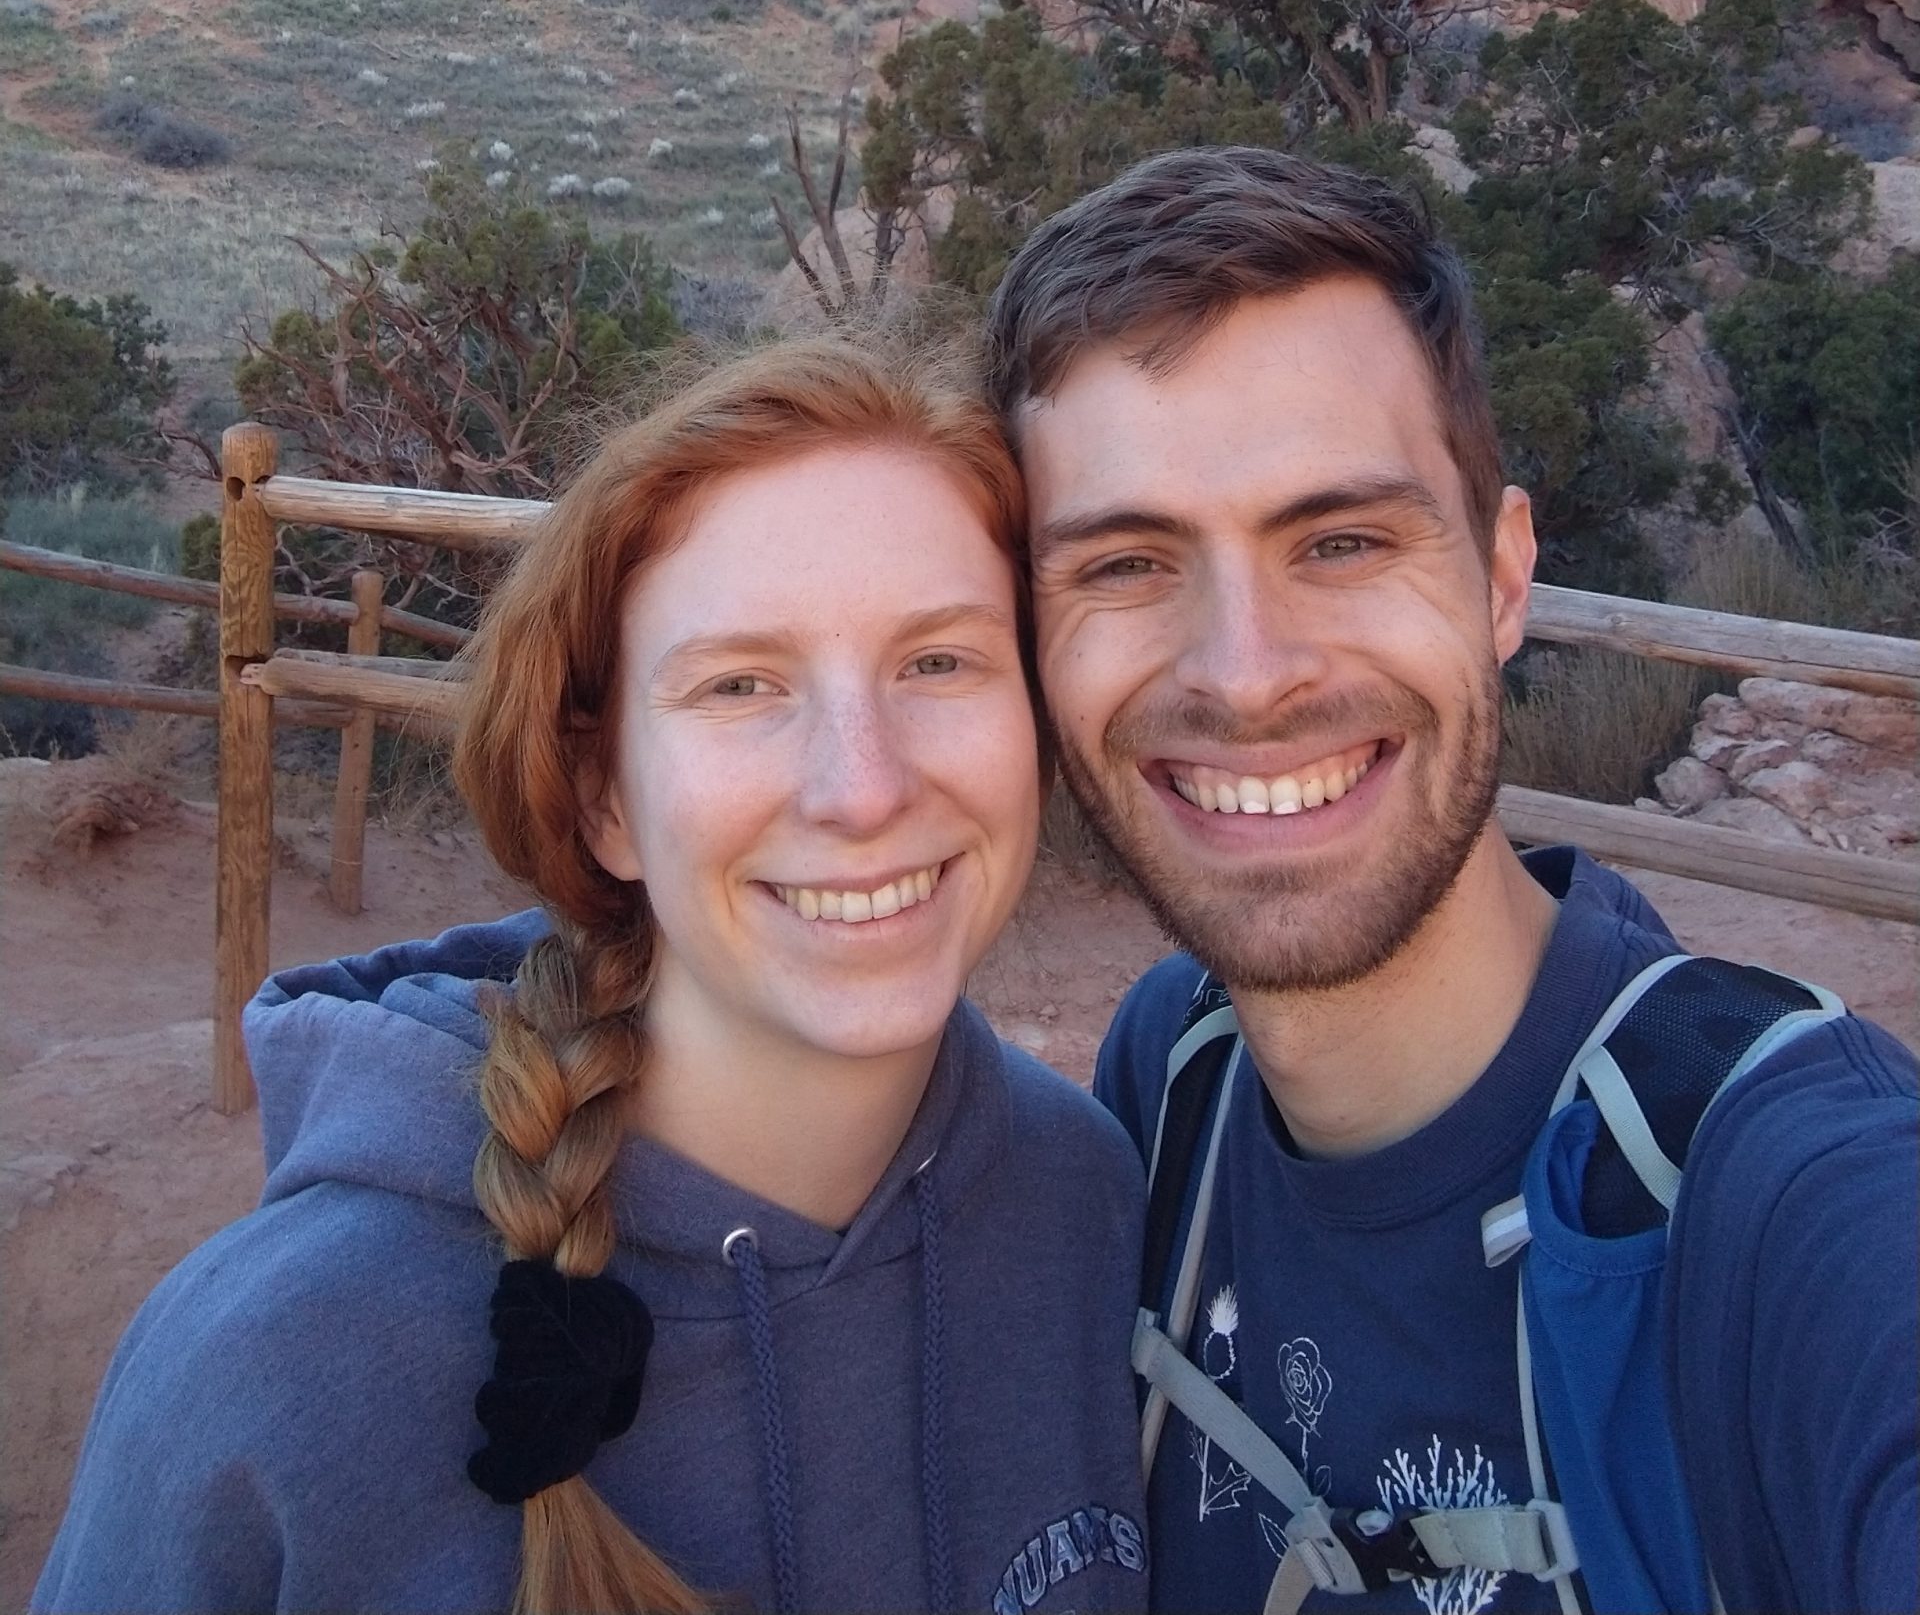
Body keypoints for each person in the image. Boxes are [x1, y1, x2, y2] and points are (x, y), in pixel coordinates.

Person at [35, 332, 1150, 1615]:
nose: (865, 786)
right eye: (740, 683)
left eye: (940, 661)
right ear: (603, 795)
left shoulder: (1085, 1201)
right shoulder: (281, 1361)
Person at [984, 145, 1918, 1615]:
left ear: (1501, 578)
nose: (1245, 675)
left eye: (1342, 540)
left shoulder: (1785, 1208)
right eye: (1125, 566)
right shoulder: (1173, 1082)